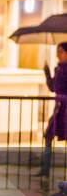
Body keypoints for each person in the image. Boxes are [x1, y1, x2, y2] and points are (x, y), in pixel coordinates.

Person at [40, 41, 67, 175]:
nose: (58, 55)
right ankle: (45, 169)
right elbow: (52, 87)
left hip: (66, 108)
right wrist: (47, 72)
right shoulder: (58, 69)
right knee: (48, 135)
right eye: (57, 51)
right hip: (59, 108)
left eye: (61, 52)